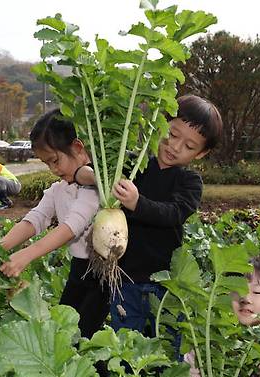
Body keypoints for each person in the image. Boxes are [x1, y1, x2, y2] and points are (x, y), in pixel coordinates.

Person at [76, 94, 223, 335]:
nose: (175, 147)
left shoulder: (189, 182)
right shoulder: (133, 165)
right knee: (125, 336)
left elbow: (173, 213)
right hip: (124, 277)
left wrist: (137, 203)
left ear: (200, 154)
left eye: (188, 146)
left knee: (165, 338)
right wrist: (97, 177)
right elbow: (82, 172)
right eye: (173, 135)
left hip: (165, 282)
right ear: (160, 125)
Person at [0, 109, 108, 339]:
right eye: (47, 163)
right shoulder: (59, 189)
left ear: (78, 148)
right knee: (62, 331)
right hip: (80, 269)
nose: (53, 169)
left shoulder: (96, 189)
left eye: (55, 160)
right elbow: (35, 218)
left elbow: (71, 227)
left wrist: (27, 255)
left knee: (85, 337)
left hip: (105, 275)